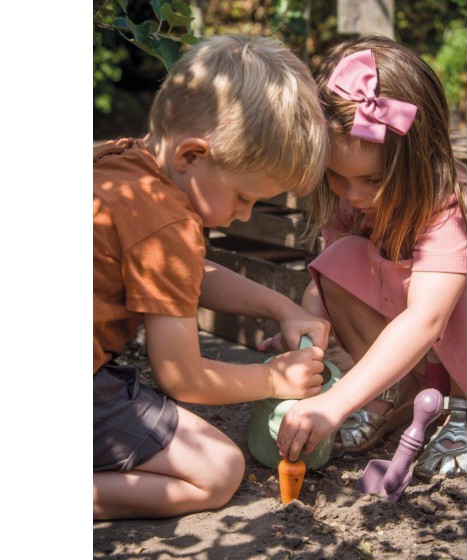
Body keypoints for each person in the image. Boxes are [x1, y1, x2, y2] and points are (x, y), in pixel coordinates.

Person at [93, 34, 331, 520]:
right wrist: (271, 378)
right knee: (217, 470)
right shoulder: (168, 222)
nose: (243, 216)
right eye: (244, 197)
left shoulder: (118, 164)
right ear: (191, 156)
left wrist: (280, 306)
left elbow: (185, 274)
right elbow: (182, 377)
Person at [263, 35, 467, 478]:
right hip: (420, 360)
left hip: (461, 353)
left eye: (372, 179)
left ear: (418, 158)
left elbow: (426, 319)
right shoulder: (356, 201)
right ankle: (390, 393)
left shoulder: (447, 209)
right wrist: (303, 334)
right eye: (337, 176)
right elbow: (326, 286)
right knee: (339, 258)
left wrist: (334, 402)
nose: (354, 195)